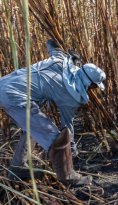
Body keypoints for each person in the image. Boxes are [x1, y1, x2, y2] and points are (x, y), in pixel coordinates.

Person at [0, 39, 106, 186]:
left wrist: (70, 57)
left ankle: (17, 168)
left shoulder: (61, 60)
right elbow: (67, 127)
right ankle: (69, 177)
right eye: (94, 86)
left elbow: (51, 44)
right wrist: (71, 149)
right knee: (53, 135)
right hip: (14, 96)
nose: (93, 89)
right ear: (89, 83)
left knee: (32, 128)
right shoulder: (70, 95)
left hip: (5, 83)